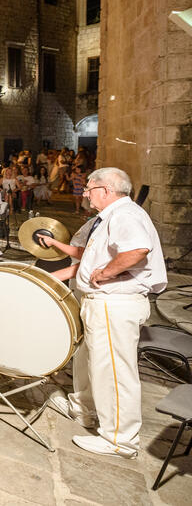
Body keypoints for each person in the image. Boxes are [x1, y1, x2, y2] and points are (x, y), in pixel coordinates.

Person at [39, 167, 166, 458]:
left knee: (113, 372)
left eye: (89, 189)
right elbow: (88, 259)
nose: (85, 194)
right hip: (102, 302)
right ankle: (83, 408)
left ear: (106, 190)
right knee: (91, 361)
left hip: (114, 303)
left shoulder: (125, 214)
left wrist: (106, 273)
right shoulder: (111, 216)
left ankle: (120, 439)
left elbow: (137, 249)